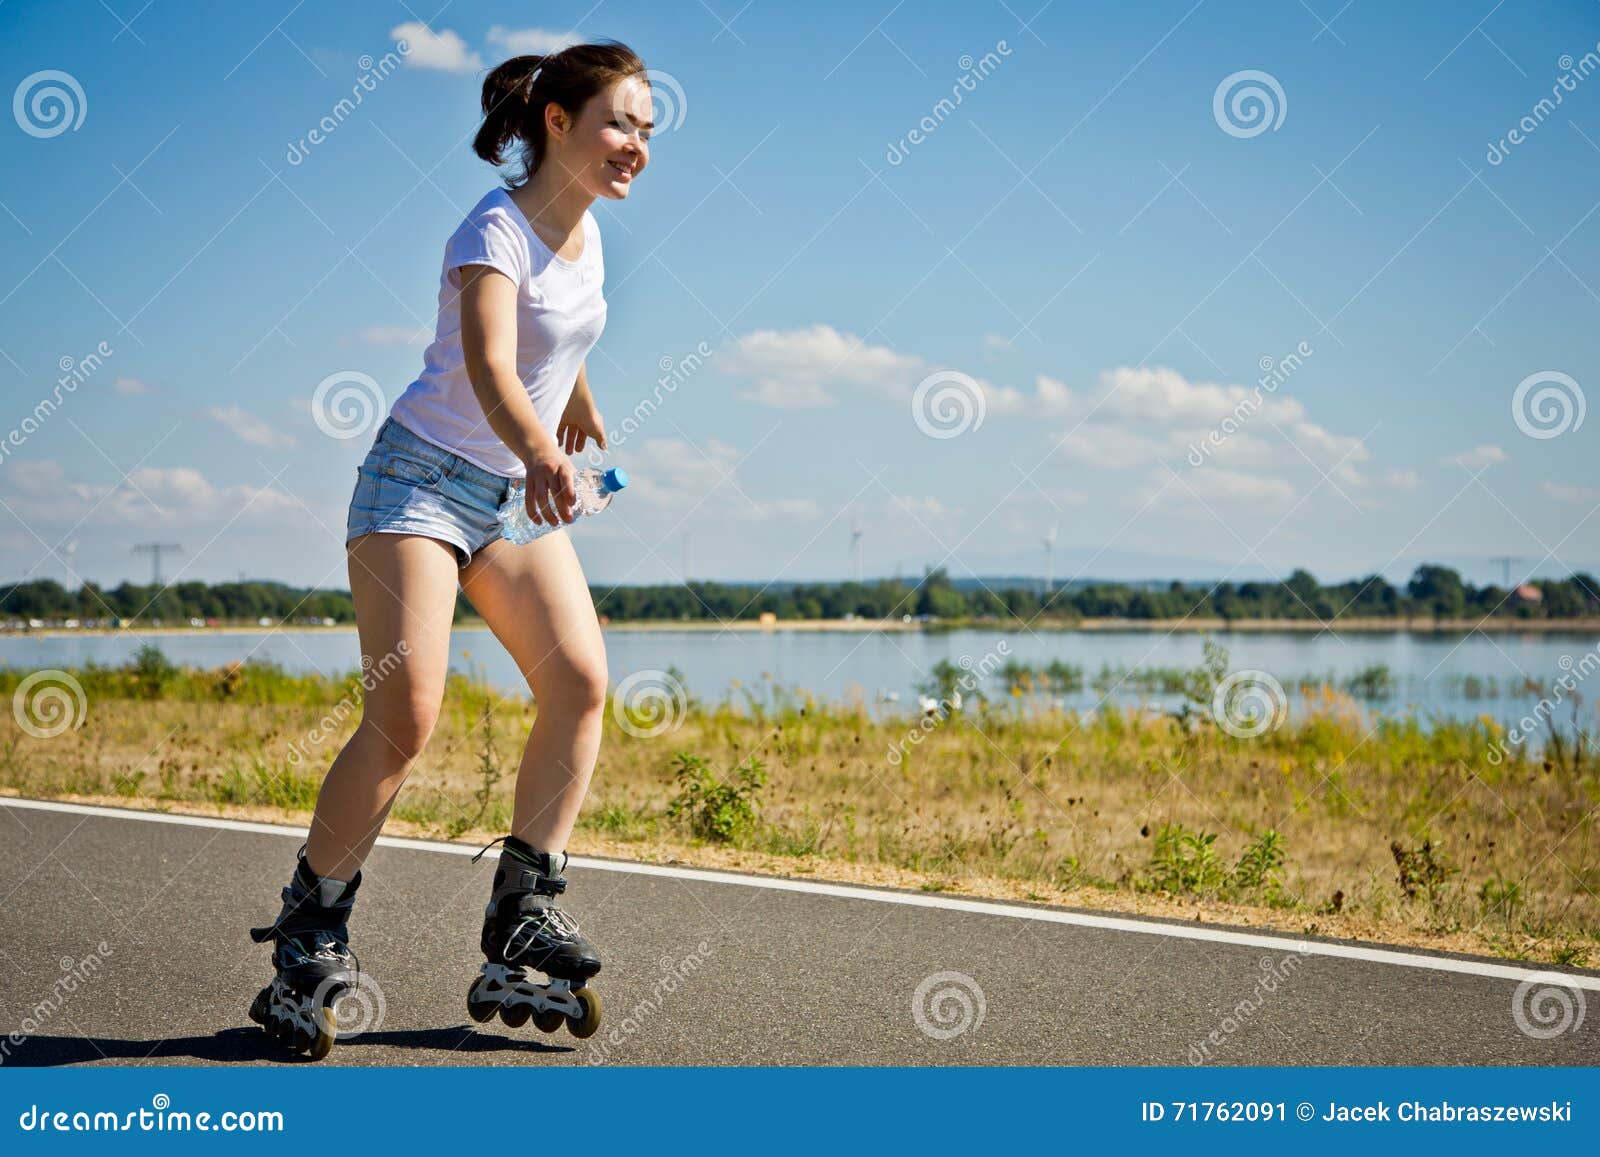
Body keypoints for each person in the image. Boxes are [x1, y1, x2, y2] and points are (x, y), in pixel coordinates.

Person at [247, 41, 652, 1059]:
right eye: (620, 122)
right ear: (556, 122)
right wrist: (540, 452)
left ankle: (522, 911)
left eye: (648, 129)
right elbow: (485, 361)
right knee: (407, 711)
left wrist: (581, 410)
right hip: (419, 482)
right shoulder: (493, 228)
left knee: (581, 683)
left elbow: (561, 341)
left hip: (509, 493)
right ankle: (309, 934)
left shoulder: (588, 233)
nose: (637, 145)